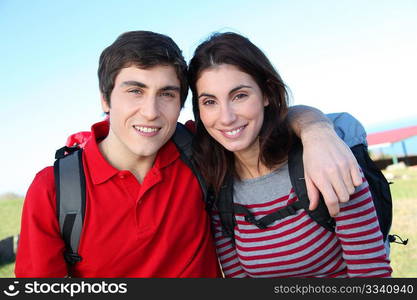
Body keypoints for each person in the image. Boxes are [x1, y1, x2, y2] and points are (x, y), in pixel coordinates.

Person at [15, 31, 362, 278]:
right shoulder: (55, 190)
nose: (150, 111)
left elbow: (250, 119)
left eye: (166, 94)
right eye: (135, 90)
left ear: (182, 104)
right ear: (106, 99)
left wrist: (316, 129)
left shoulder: (198, 151)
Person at [187, 32, 392, 277]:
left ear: (266, 94)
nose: (226, 117)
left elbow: (371, 274)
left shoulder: (323, 161)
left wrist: (315, 128)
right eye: (210, 101)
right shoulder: (219, 187)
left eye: (239, 96)